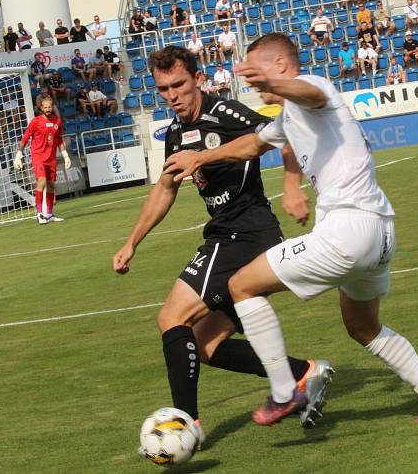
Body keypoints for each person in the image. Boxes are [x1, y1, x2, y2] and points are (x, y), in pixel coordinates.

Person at [163, 33, 418, 426]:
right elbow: (252, 145)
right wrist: (200, 157)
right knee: (363, 328)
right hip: (381, 234)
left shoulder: (315, 88)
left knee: (241, 285)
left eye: (258, 73)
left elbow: (310, 94)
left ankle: (285, 390)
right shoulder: (289, 116)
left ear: (282, 67)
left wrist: (271, 83)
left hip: (348, 231)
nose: (253, 84)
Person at [112, 45, 333, 436]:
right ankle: (304, 373)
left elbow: (284, 134)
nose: (172, 95)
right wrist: (132, 241)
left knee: (171, 318)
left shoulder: (226, 114)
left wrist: (290, 185)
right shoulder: (177, 134)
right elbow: (165, 189)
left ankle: (185, 424)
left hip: (245, 235)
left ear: (198, 79)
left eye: (179, 84)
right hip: (233, 237)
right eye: (163, 89)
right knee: (202, 345)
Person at [13, 96, 71, 225]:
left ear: (53, 107)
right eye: (45, 107)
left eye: (50, 107)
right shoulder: (35, 121)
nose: (48, 109)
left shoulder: (57, 122)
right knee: (42, 180)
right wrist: (18, 154)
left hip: (51, 158)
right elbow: (25, 138)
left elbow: (59, 140)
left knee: (51, 185)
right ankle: (39, 213)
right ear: (41, 108)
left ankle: (49, 214)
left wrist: (65, 155)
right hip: (38, 156)